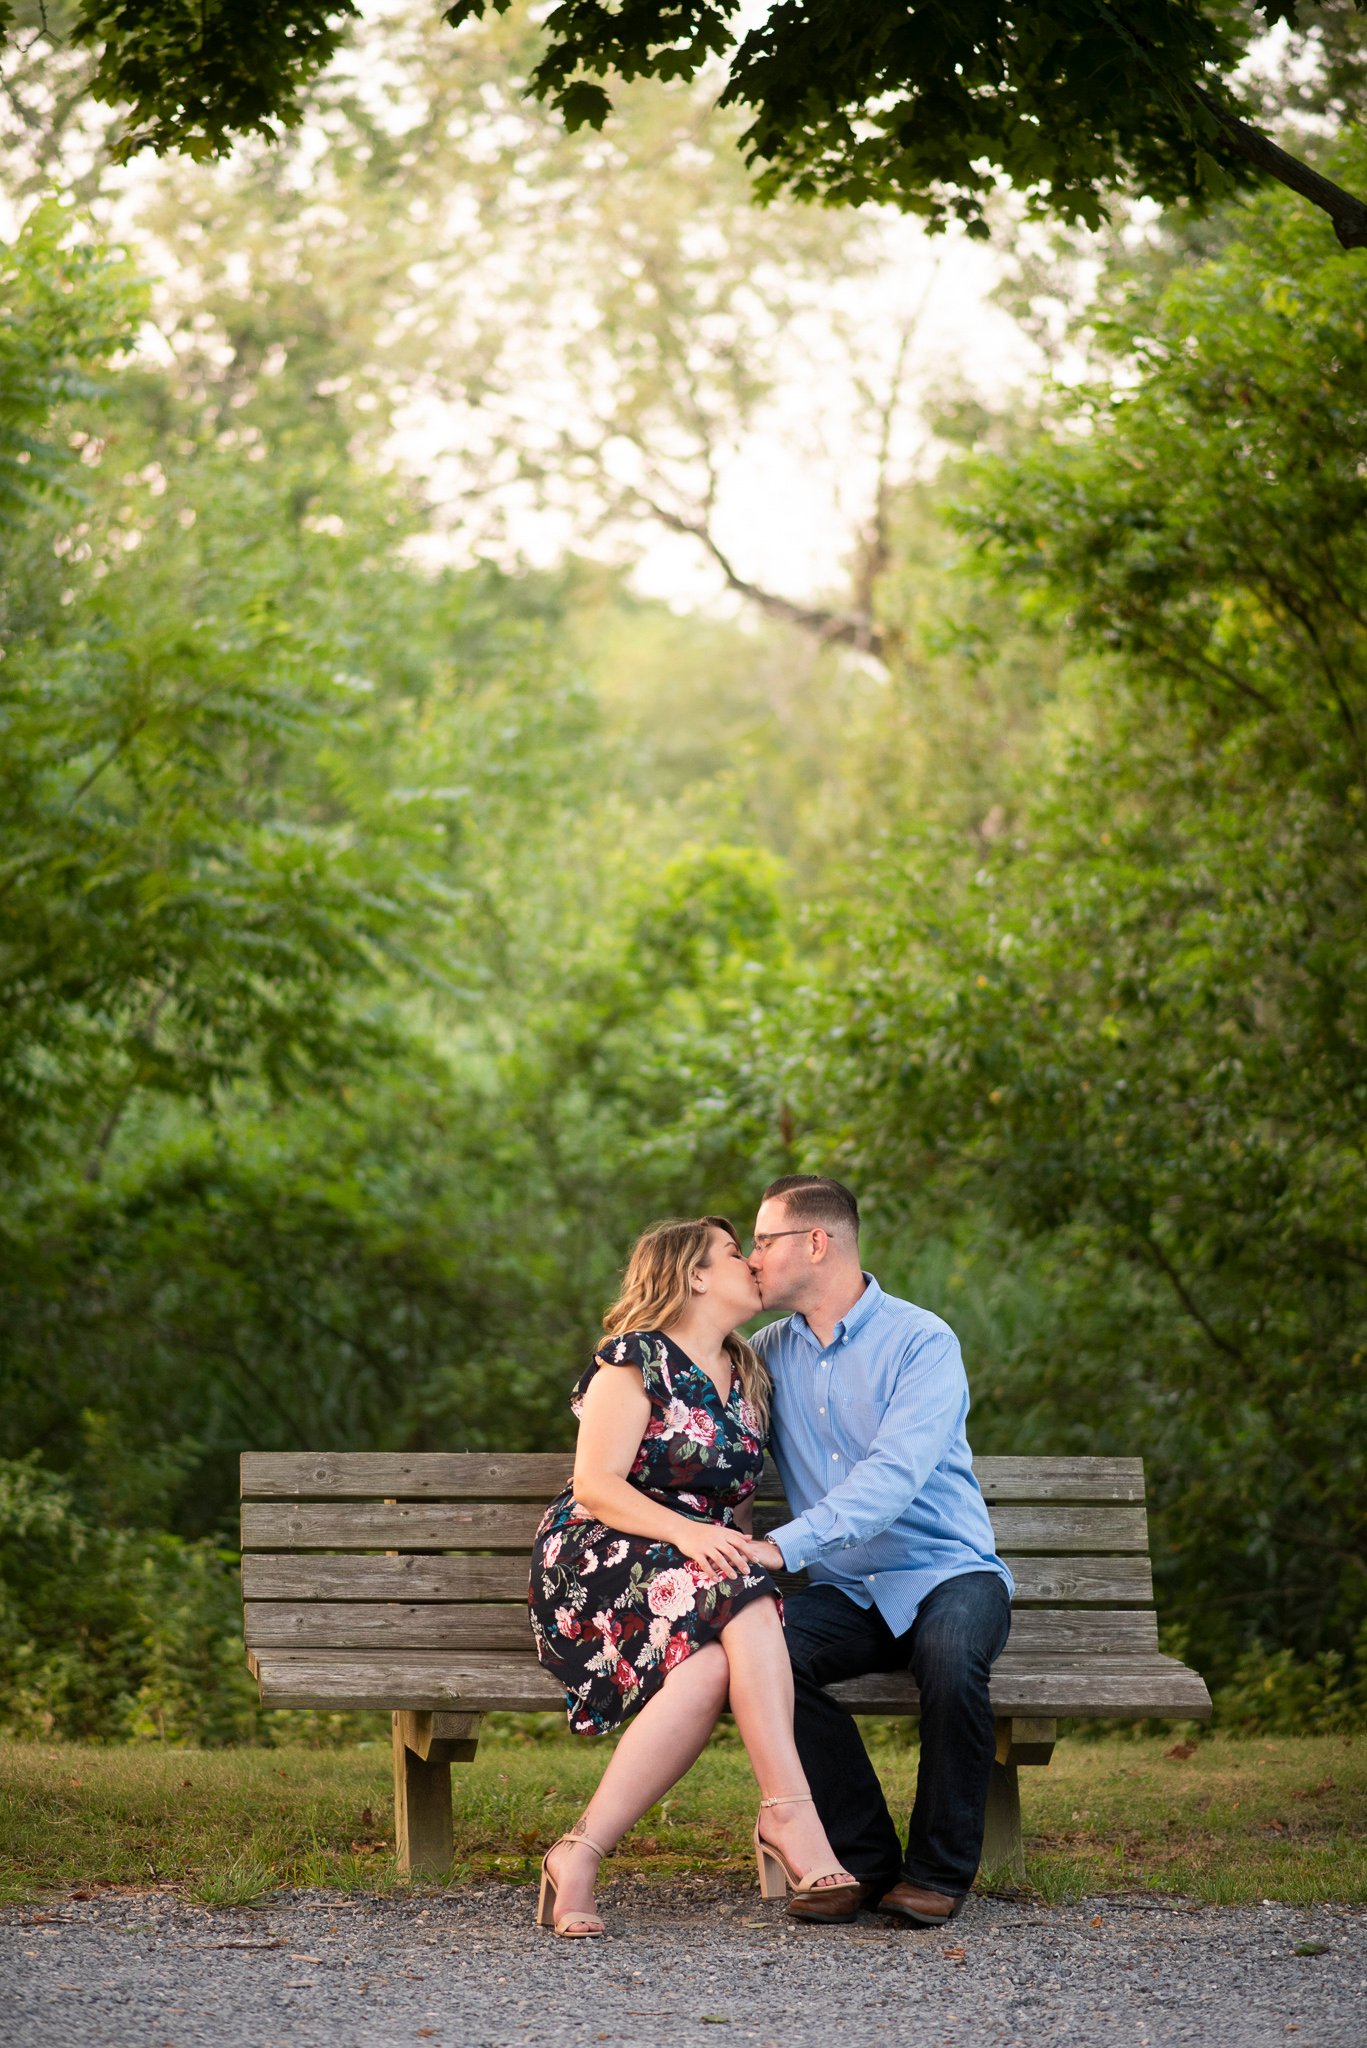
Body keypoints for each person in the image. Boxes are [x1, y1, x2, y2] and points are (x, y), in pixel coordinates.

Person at [527, 1214, 860, 1936]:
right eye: (736, 1253)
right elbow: (595, 1485)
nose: (753, 1263)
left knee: (712, 1664)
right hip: (601, 1557)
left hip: (698, 1567)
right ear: (695, 1275)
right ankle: (788, 1814)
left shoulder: (747, 1376)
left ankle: (577, 1854)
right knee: (745, 1588)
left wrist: (716, 1544)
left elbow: (733, 1513)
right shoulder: (633, 1358)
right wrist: (689, 1533)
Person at [741, 1174, 1013, 1928]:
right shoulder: (765, 1354)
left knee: (953, 1659)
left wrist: (778, 1549)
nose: (752, 1258)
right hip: (847, 1591)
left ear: (816, 1243)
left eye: (764, 1241)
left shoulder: (921, 1341)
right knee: (766, 1658)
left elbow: (890, 1479)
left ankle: (936, 1873)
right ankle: (860, 1860)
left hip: (946, 1573)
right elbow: (704, 1433)